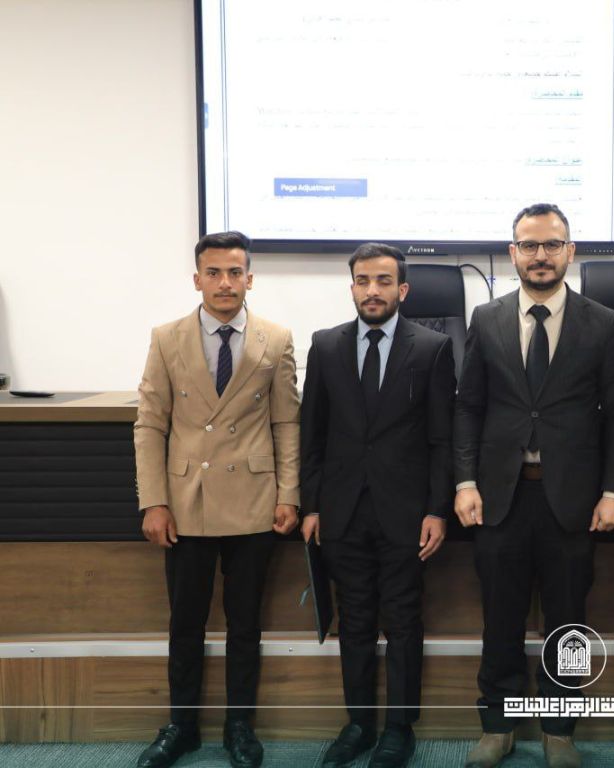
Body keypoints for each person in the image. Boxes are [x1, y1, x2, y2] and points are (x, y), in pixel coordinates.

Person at [454, 203, 614, 768]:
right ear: (513, 253)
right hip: (501, 496)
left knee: (569, 623)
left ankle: (560, 729)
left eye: (552, 244)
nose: (540, 255)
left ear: (570, 251)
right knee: (500, 619)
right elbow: (469, 407)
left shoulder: (602, 322)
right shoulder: (486, 318)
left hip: (573, 500)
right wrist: (465, 481)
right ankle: (498, 726)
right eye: (529, 245)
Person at [133, 231, 300, 768]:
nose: (224, 283)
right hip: (186, 503)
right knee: (185, 624)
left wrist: (290, 494)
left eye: (234, 273)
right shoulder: (167, 338)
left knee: (244, 624)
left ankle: (239, 727)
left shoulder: (276, 338)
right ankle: (181, 727)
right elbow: (150, 425)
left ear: (249, 278)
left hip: (255, 501)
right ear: (197, 279)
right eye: (213, 273)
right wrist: (153, 501)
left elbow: (286, 422)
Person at [299, 243, 456, 768]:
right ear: (352, 288)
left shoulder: (432, 348)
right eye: (363, 281)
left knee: (404, 620)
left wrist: (437, 510)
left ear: (401, 290)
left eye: (384, 281)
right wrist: (311, 505)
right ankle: (359, 724)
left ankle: (399, 728)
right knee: (355, 620)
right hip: (342, 510)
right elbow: (312, 433)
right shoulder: (325, 346)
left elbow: (442, 440)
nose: (373, 290)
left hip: (406, 514)